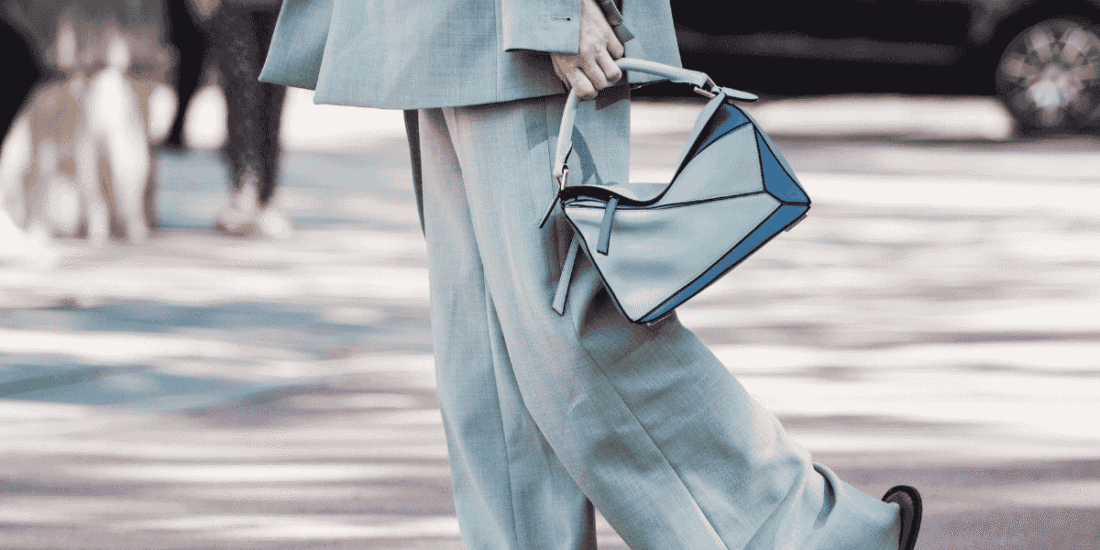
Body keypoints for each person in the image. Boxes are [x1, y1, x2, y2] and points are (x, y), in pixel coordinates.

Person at [259, 1, 923, 548]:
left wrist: (554, 10)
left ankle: (811, 532)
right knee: (486, 364)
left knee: (571, 328)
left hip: (512, 27)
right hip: (442, 26)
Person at [208, 0, 293, 238]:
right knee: (241, 94)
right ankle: (245, 189)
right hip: (233, 7)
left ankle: (265, 198)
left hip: (281, 8)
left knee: (271, 97)